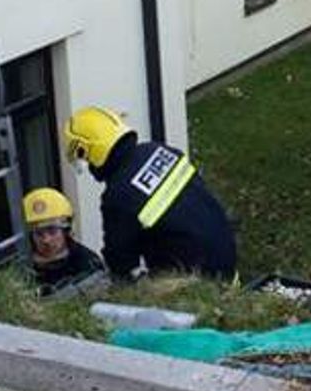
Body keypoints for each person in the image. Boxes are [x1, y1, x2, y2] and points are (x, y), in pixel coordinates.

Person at [63, 106, 238, 281]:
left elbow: (120, 262)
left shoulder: (118, 196)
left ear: (87, 149)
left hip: (193, 280)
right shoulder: (159, 150)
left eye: (84, 158)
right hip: (226, 252)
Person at [21, 186, 105, 295]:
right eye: (39, 233)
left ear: (66, 231)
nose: (46, 240)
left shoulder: (87, 263)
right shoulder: (21, 267)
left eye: (52, 231)